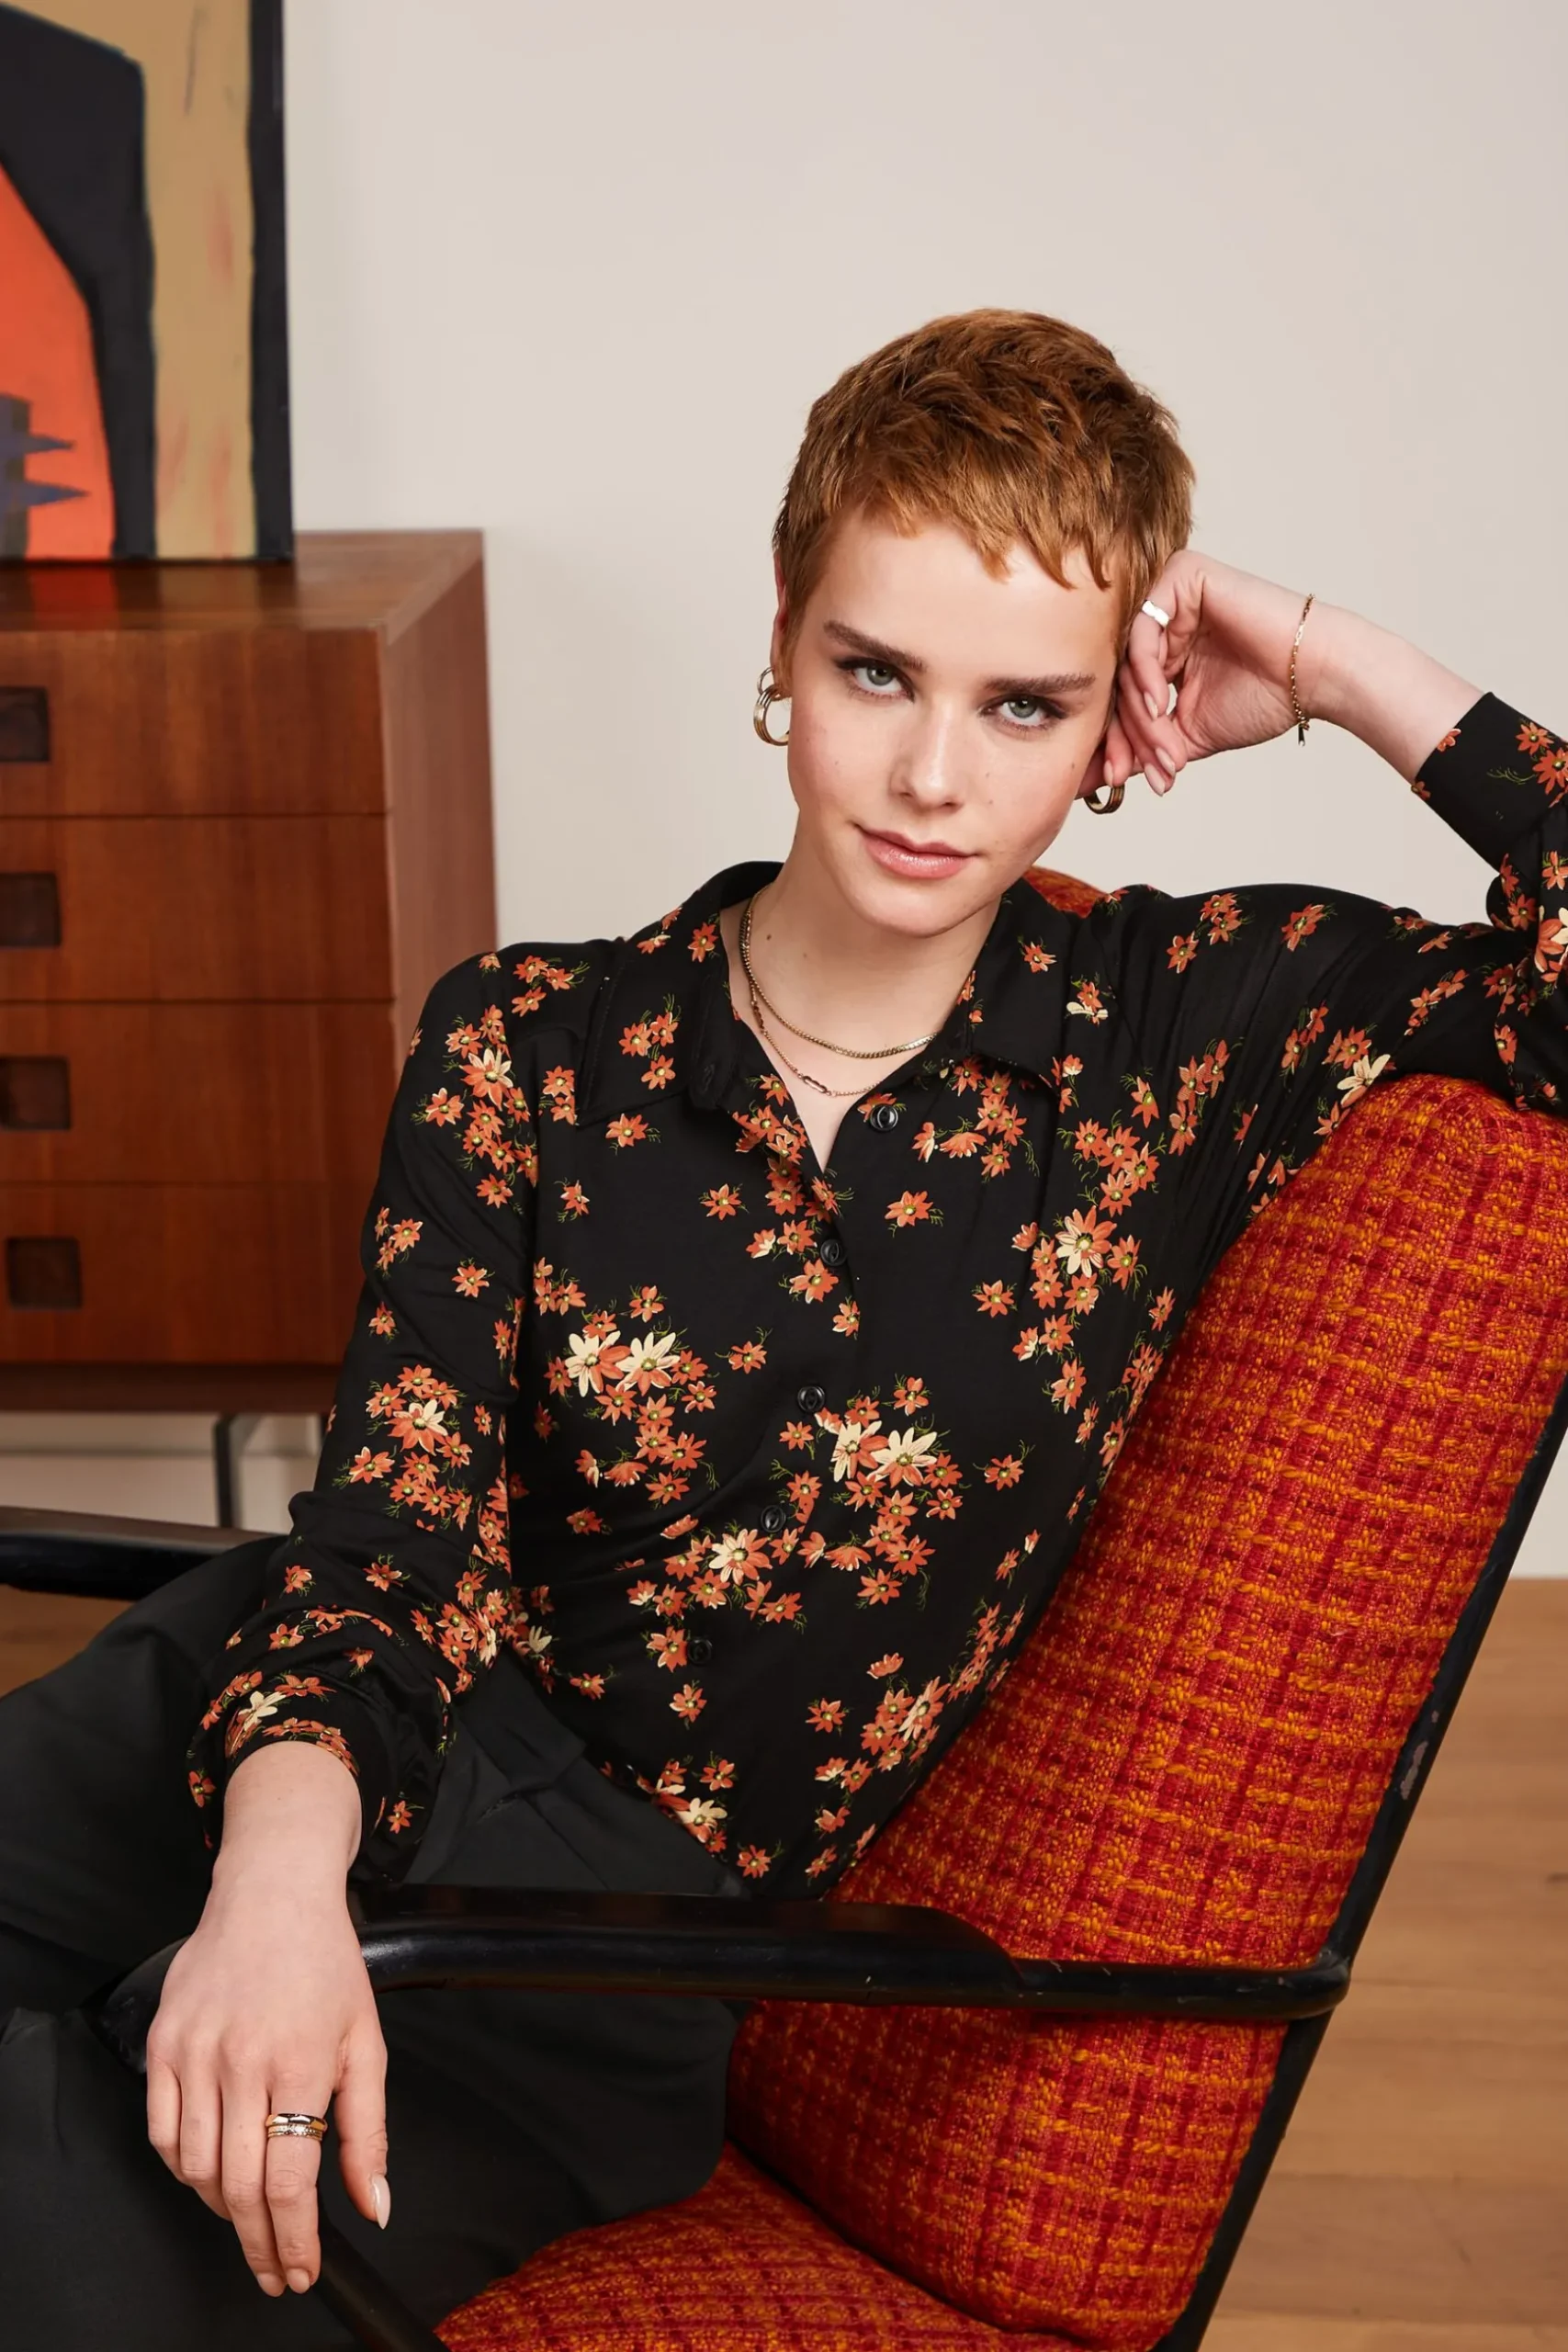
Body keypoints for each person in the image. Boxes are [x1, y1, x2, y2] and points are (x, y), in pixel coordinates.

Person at [2, 309, 1564, 2347]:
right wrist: (278, 1877)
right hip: (297, 1717)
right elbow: (390, 1543)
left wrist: (1332, 660)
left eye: (1025, 704)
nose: (932, 775)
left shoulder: (1184, 1038)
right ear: (781, 640)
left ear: (1115, 709)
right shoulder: (524, 1041)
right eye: (876, 670)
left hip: (594, 1943)